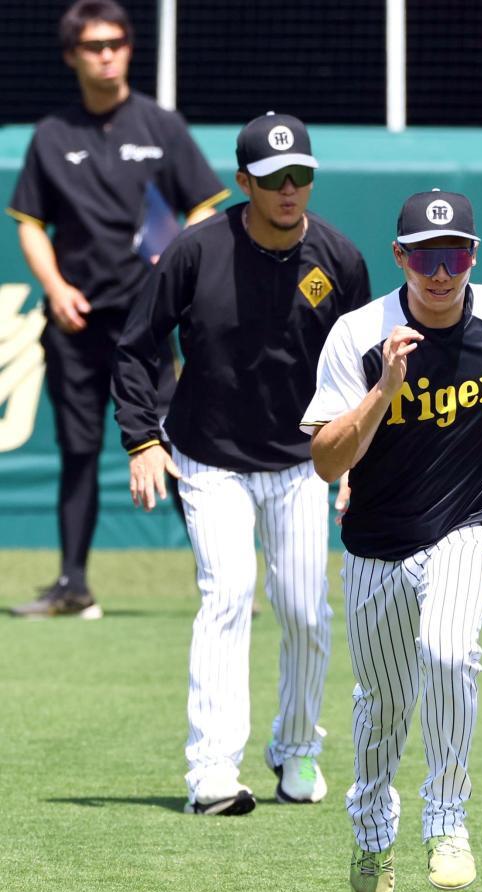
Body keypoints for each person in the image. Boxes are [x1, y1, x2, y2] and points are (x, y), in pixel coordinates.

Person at [302, 189, 482, 892]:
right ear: (401, 258)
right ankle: (371, 832)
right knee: (383, 705)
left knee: (450, 650)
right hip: (381, 539)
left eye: (454, 256)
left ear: (473, 257)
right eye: (426, 257)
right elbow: (328, 463)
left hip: (477, 515)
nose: (441, 273)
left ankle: (448, 821)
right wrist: (385, 387)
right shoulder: (360, 336)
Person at [111, 112, 371, 815]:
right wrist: (143, 440)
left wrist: (354, 463)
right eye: (273, 179)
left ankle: (297, 751)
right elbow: (136, 346)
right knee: (226, 595)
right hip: (210, 456)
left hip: (299, 460)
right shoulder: (195, 252)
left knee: (305, 613)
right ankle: (213, 773)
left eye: (301, 177)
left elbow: (363, 371)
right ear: (243, 183)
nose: (290, 190)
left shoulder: (340, 261)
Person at [6, 0, 229, 620]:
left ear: (130, 48)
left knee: (175, 443)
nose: (107, 53)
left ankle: (223, 580)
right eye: (94, 45)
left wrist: (176, 267)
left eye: (117, 42)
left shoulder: (160, 126)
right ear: (72, 55)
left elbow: (205, 206)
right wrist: (54, 287)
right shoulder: (53, 136)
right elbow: (28, 222)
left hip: (149, 326)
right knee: (77, 450)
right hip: (76, 325)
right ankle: (73, 585)